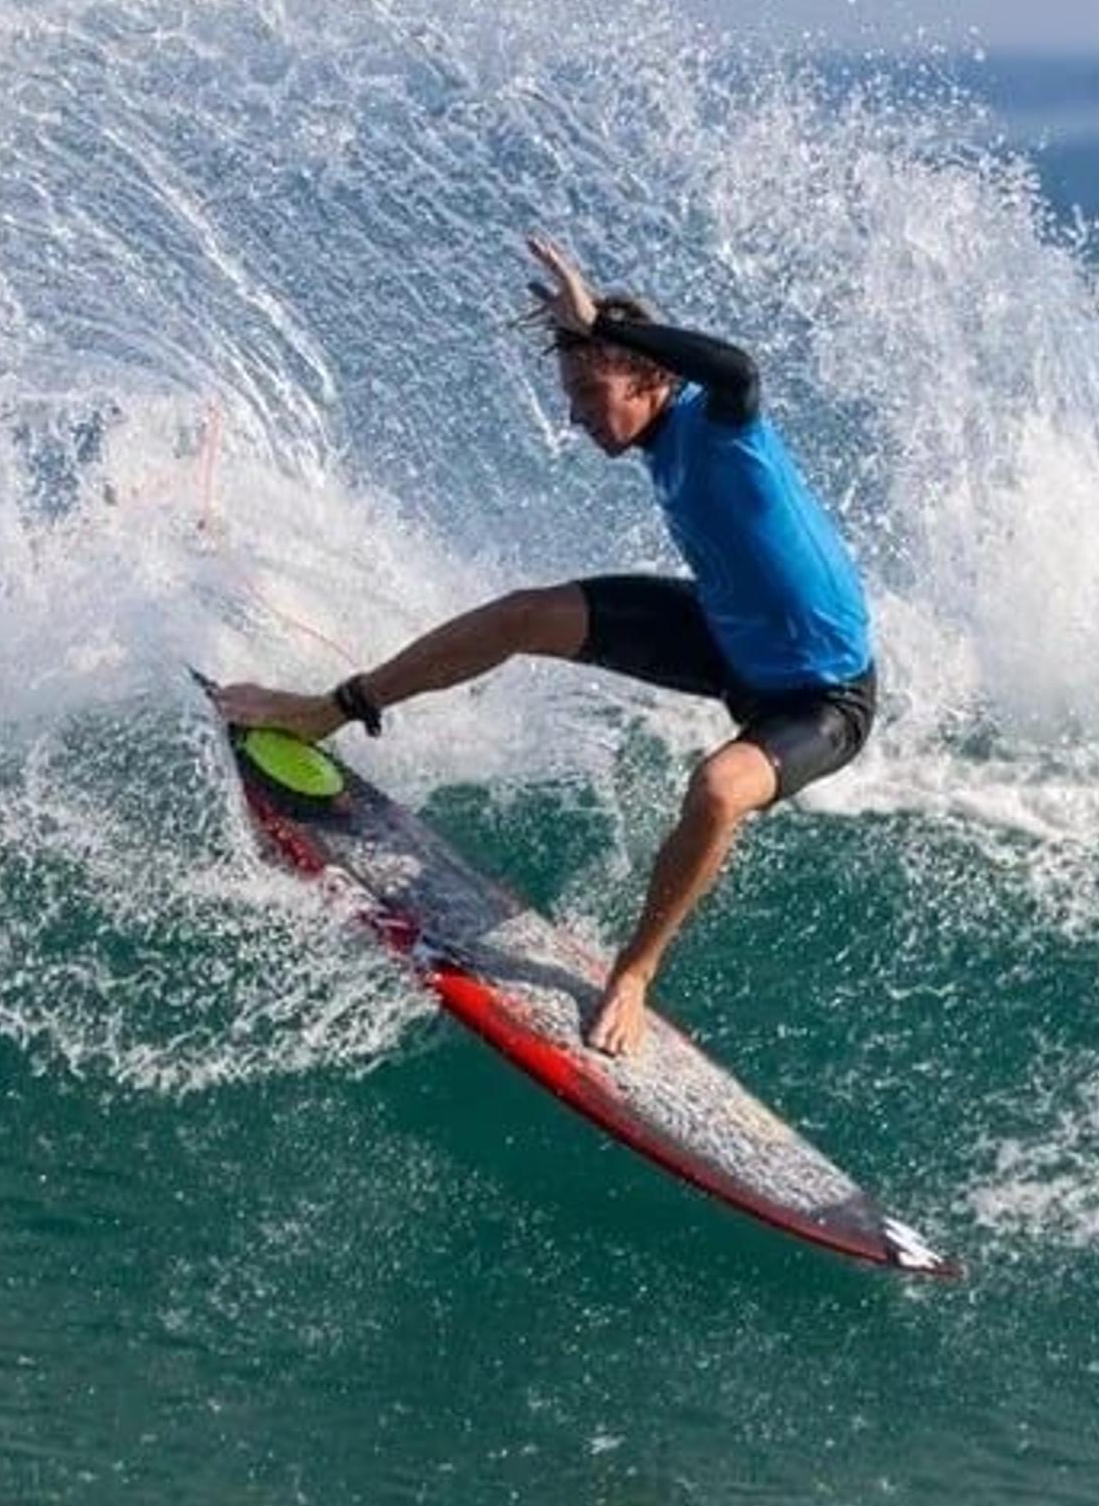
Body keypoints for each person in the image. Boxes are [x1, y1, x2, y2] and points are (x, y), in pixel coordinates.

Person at [211, 236, 878, 1057]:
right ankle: (327, 710)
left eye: (592, 392)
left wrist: (605, 324)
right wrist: (597, 340)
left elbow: (737, 368)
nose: (577, 415)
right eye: (572, 395)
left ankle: (633, 974)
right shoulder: (660, 439)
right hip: (726, 631)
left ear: (653, 380)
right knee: (522, 615)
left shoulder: (718, 423)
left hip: (819, 692)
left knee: (715, 789)